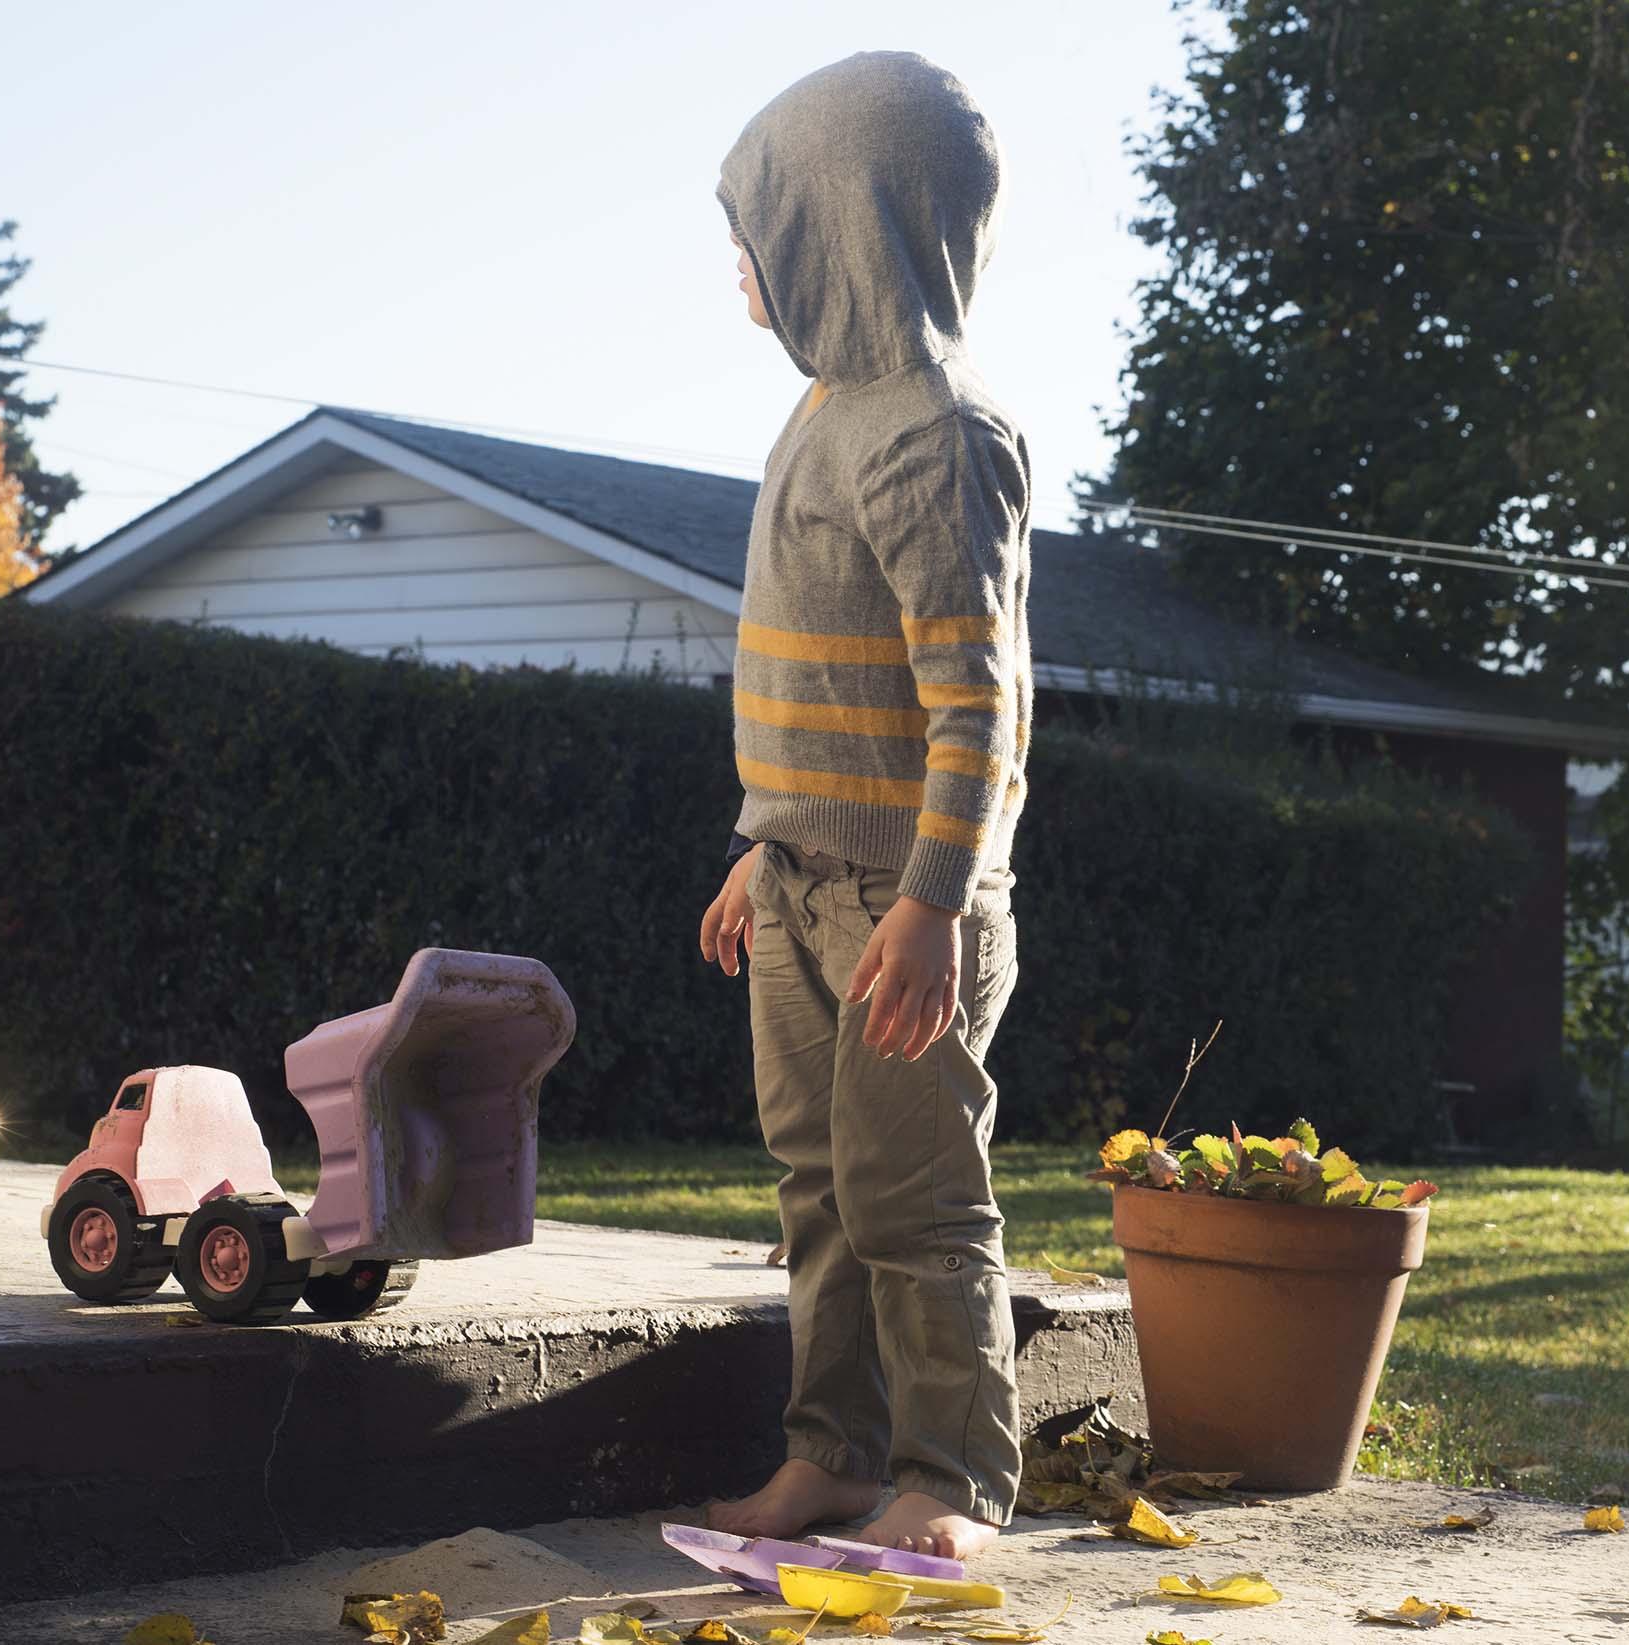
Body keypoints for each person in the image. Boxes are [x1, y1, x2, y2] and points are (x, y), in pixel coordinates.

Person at [694, 49, 1033, 1565]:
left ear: (843, 223)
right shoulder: (821, 413)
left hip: (910, 906)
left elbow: (978, 701)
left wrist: (933, 901)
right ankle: (830, 1453)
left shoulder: (935, 432)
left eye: (765, 228)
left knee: (914, 1199)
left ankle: (951, 1475)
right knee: (817, 1195)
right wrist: (758, 847)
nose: (745, 268)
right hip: (795, 887)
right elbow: (821, 689)